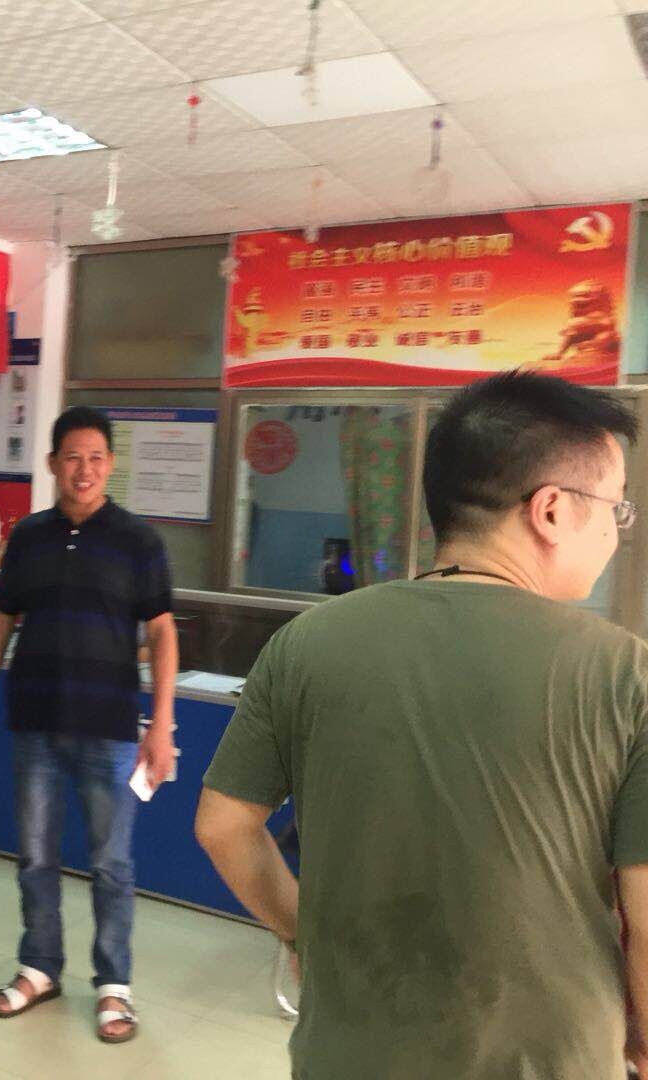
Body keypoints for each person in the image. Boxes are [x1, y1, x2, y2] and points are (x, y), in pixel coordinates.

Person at [196, 371, 648, 1079]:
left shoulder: (308, 642)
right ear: (552, 509)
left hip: (347, 1054)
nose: (617, 533)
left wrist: (302, 932)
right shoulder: (626, 673)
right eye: (615, 509)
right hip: (549, 1057)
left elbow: (223, 826)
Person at [0, 405, 178, 1044]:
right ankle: (39, 967)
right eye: (73, 457)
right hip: (36, 726)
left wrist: (161, 724)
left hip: (110, 729)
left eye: (96, 458)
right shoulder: (29, 536)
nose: (84, 470)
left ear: (111, 465)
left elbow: (162, 632)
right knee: (35, 856)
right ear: (54, 463)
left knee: (112, 864)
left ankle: (114, 986)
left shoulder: (138, 541)